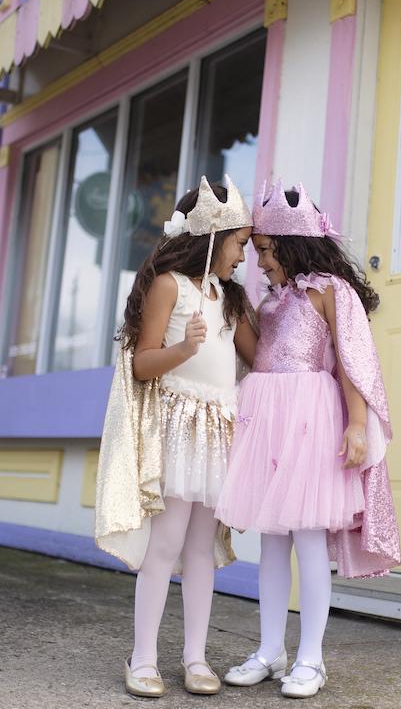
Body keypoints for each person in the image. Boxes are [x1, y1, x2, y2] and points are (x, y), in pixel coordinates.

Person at [215, 181, 401, 699]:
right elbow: (258, 357)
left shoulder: (330, 291)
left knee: (309, 538)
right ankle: (270, 648)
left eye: (267, 252)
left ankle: (311, 658)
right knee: (273, 539)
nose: (261, 263)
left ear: (293, 245)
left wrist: (357, 424)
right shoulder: (272, 300)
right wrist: (230, 307)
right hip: (267, 418)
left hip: (311, 421)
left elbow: (352, 363)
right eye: (255, 254)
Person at [94, 176, 256, 698]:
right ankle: (142, 658)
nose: (242, 257)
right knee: (166, 545)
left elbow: (260, 356)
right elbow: (142, 364)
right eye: (239, 245)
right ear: (212, 234)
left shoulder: (229, 299)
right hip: (181, 429)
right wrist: (184, 349)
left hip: (218, 432)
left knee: (202, 550)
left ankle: (196, 657)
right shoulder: (172, 286)